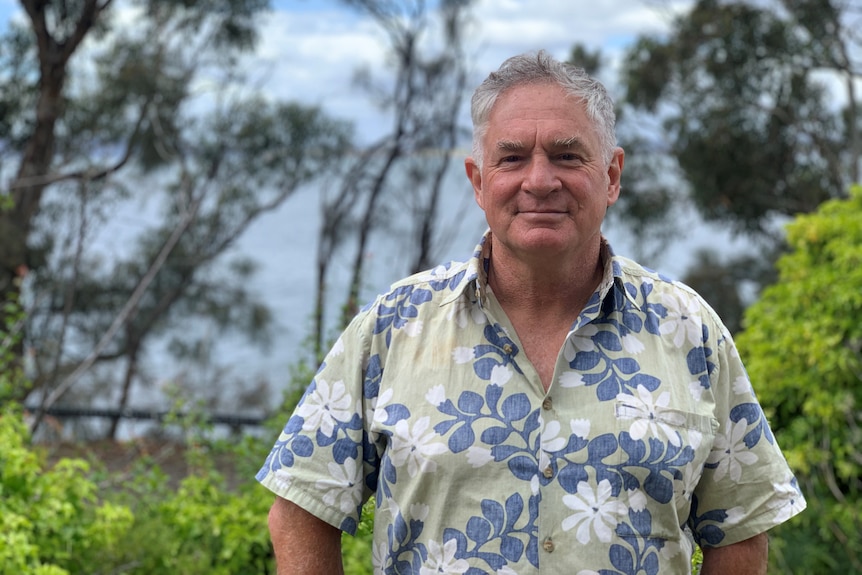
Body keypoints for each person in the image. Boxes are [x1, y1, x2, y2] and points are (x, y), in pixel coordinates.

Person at [257, 50, 806, 575]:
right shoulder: (394, 325)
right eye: (512, 157)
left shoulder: (690, 331)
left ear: (612, 175)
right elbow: (301, 510)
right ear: (478, 181)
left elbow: (741, 527)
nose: (539, 181)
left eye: (568, 155)